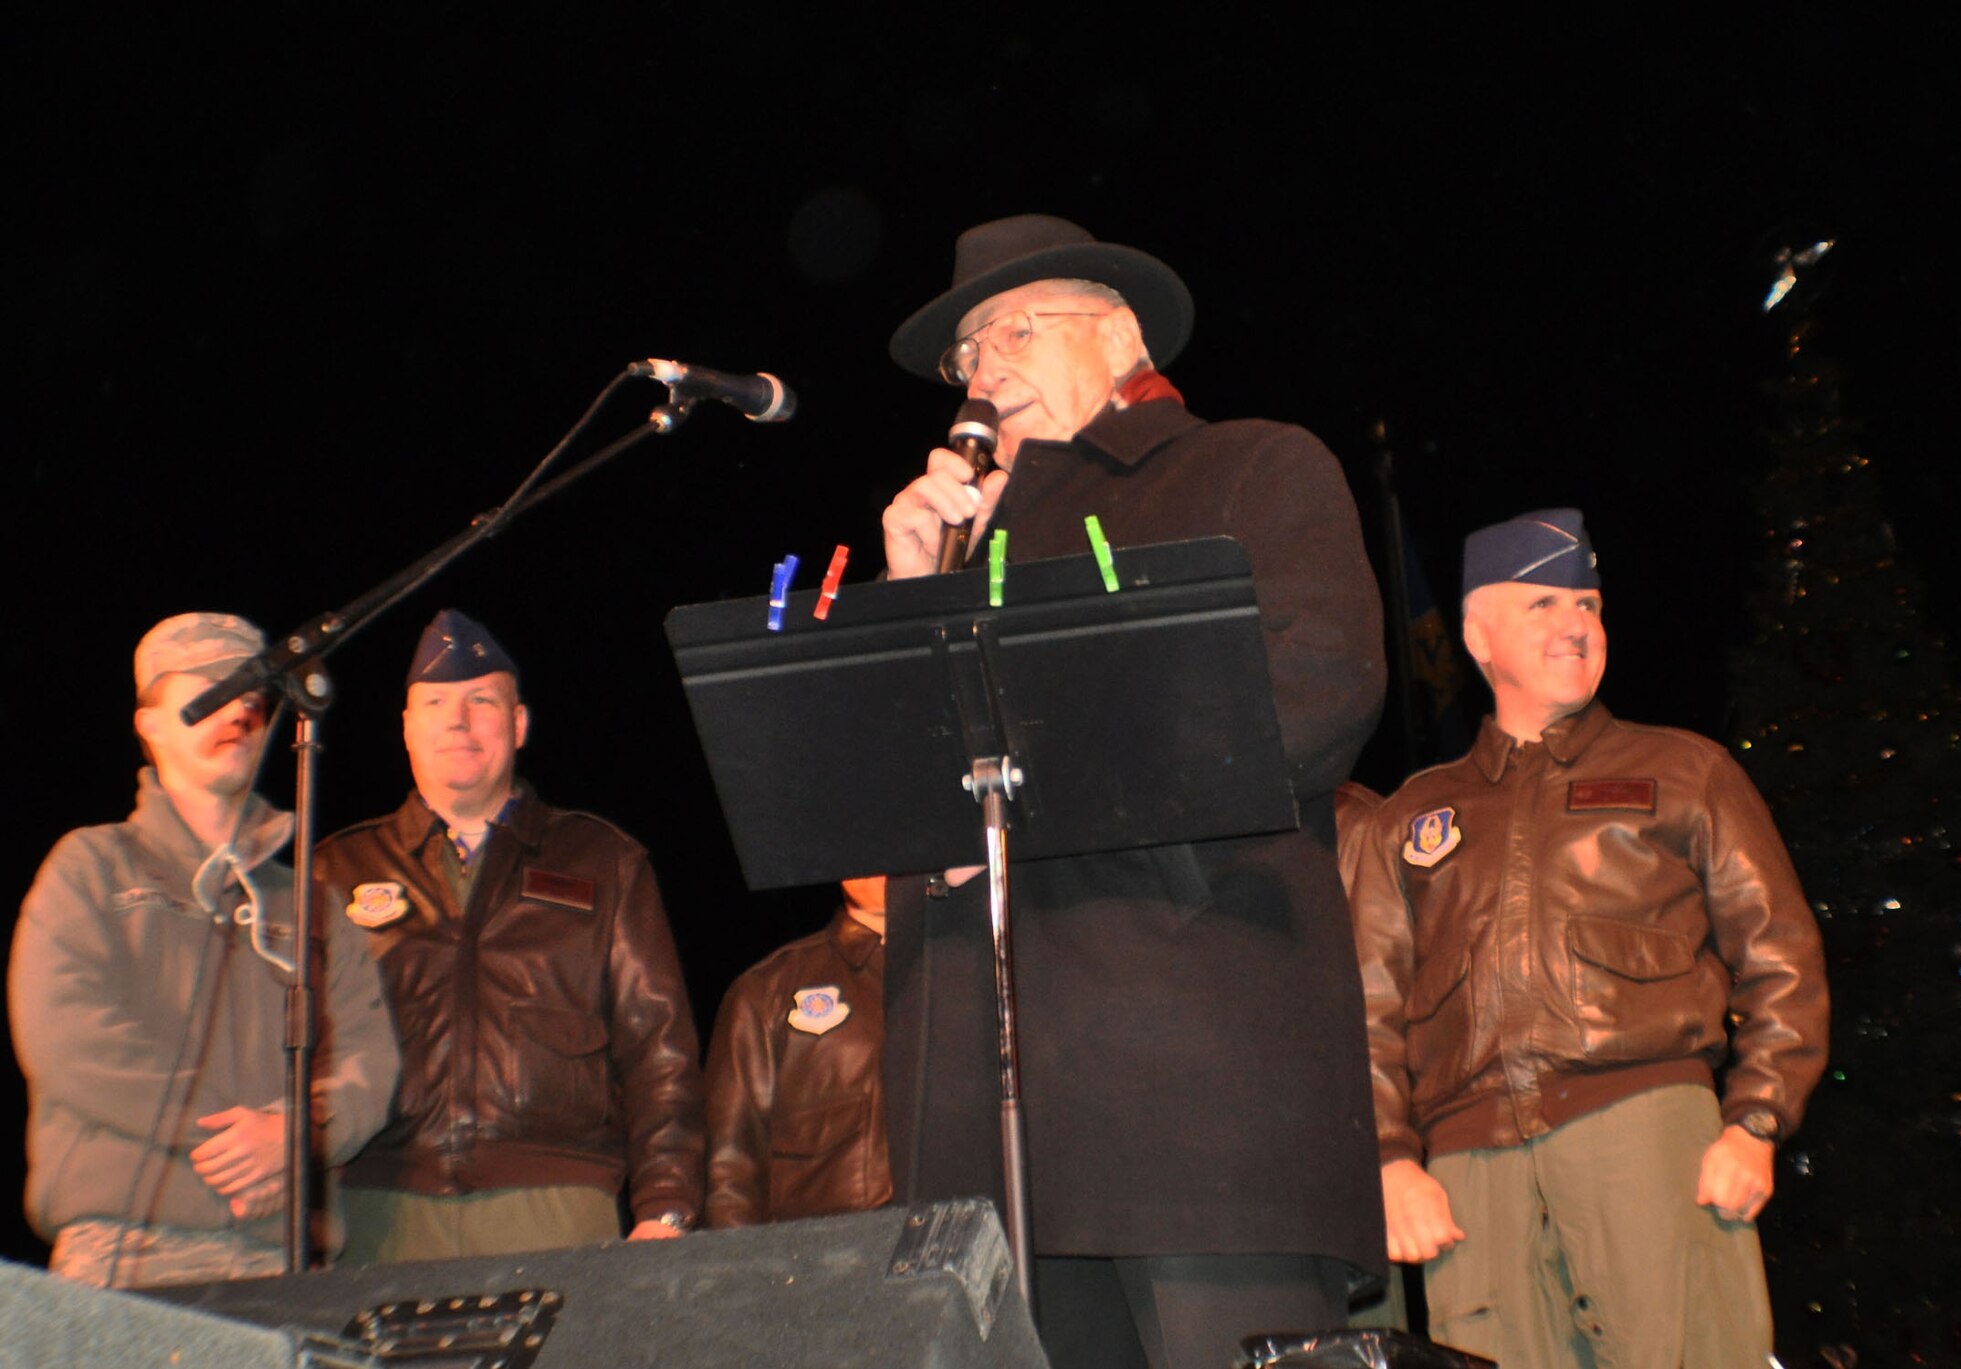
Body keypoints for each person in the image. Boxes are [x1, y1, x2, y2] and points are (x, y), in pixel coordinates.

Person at [878, 213, 1388, 1369]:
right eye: (966, 354)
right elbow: (884, 805)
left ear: (1119, 337)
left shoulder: (1247, 466)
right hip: (988, 1132)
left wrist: (1037, 783)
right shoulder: (957, 551)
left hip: (1196, 1104)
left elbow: (1314, 688)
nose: (983, 370)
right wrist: (914, 603)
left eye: (1015, 329)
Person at [1349, 509, 1830, 1367]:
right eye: (1543, 603)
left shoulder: (1684, 770)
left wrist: (1755, 1120)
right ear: (1477, 637)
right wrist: (1391, 1161)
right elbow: (1369, 1008)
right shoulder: (1412, 815)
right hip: (1471, 1176)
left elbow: (1781, 956)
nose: (1576, 622)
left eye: (1589, 604)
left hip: (1646, 1135)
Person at [9, 612, 397, 1288]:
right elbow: (67, 1036)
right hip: (128, 1250)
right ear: (150, 723)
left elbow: (368, 1059)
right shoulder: (93, 866)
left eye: (253, 695)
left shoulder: (310, 901)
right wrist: (231, 1139)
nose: (239, 710)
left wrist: (292, 1132)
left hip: (284, 1259)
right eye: (211, 690)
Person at [315, 608, 704, 1261]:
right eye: (435, 703)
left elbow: (659, 1051)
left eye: (481, 701)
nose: (458, 720)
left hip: (558, 1203)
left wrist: (667, 1206)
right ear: (406, 727)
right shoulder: (335, 869)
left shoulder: (601, 860)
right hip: (375, 1208)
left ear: (518, 724)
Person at [703, 875, 891, 1229]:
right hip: (829, 1251)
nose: (878, 863)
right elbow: (730, 1169)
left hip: (959, 1235)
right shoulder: (767, 990)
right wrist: (740, 1261)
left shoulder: (976, 971)